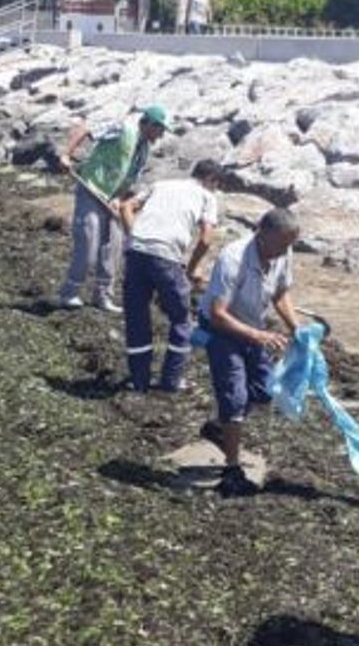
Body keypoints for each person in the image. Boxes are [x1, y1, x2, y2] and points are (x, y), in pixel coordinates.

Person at [197, 208, 301, 498]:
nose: (283, 252)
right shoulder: (233, 258)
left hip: (251, 323)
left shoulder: (282, 252)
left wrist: (295, 327)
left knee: (265, 390)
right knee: (235, 394)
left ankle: (218, 428)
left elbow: (280, 292)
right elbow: (218, 314)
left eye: (288, 246)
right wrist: (260, 336)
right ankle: (232, 469)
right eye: (280, 245)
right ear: (261, 233)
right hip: (221, 327)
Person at [119, 159, 224, 393]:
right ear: (211, 181)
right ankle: (171, 380)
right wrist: (191, 269)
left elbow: (125, 207)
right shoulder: (207, 196)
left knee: (137, 317)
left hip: (136, 252)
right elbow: (207, 238)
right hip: (165, 257)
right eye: (216, 185)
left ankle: (139, 380)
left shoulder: (162, 184)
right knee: (181, 318)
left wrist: (134, 236)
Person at [56, 105, 171, 312]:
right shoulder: (123, 128)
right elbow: (85, 130)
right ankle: (69, 293)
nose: (161, 135)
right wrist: (66, 155)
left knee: (113, 248)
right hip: (91, 189)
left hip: (111, 200)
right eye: (160, 129)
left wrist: (119, 198)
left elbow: (129, 177)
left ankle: (103, 296)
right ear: (149, 124)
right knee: (88, 245)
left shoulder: (144, 148)